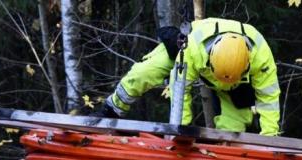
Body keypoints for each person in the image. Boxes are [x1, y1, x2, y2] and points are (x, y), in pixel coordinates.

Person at [98, 17, 280, 136]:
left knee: (233, 133)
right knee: (143, 73)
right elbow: (180, 88)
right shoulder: (193, 48)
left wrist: (271, 140)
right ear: (210, 58)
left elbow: (269, 99)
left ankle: (222, 159)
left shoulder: (262, 58)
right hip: (189, 55)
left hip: (235, 86)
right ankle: (111, 109)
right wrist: (180, 130)